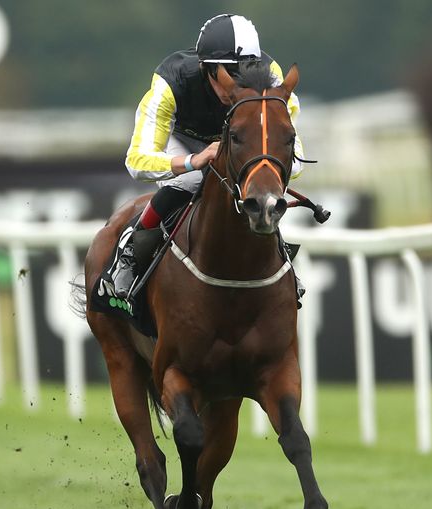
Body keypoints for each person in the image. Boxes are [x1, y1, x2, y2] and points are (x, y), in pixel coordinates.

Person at [111, 13, 306, 299]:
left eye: (246, 69)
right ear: (208, 70)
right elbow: (137, 160)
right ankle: (131, 251)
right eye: (231, 73)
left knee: (259, 189)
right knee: (190, 182)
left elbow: (296, 155)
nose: (239, 84)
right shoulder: (171, 82)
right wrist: (193, 161)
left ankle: (281, 259)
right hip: (182, 141)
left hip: (236, 145)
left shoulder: (272, 78)